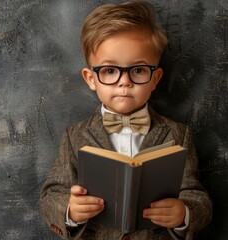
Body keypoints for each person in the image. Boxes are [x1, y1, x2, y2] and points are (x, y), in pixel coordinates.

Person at [39, 1, 212, 239]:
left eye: (138, 70)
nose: (124, 81)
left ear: (155, 78)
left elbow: (197, 197)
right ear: (91, 79)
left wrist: (184, 213)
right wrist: (70, 210)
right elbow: (51, 196)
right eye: (110, 71)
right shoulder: (74, 136)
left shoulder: (178, 134)